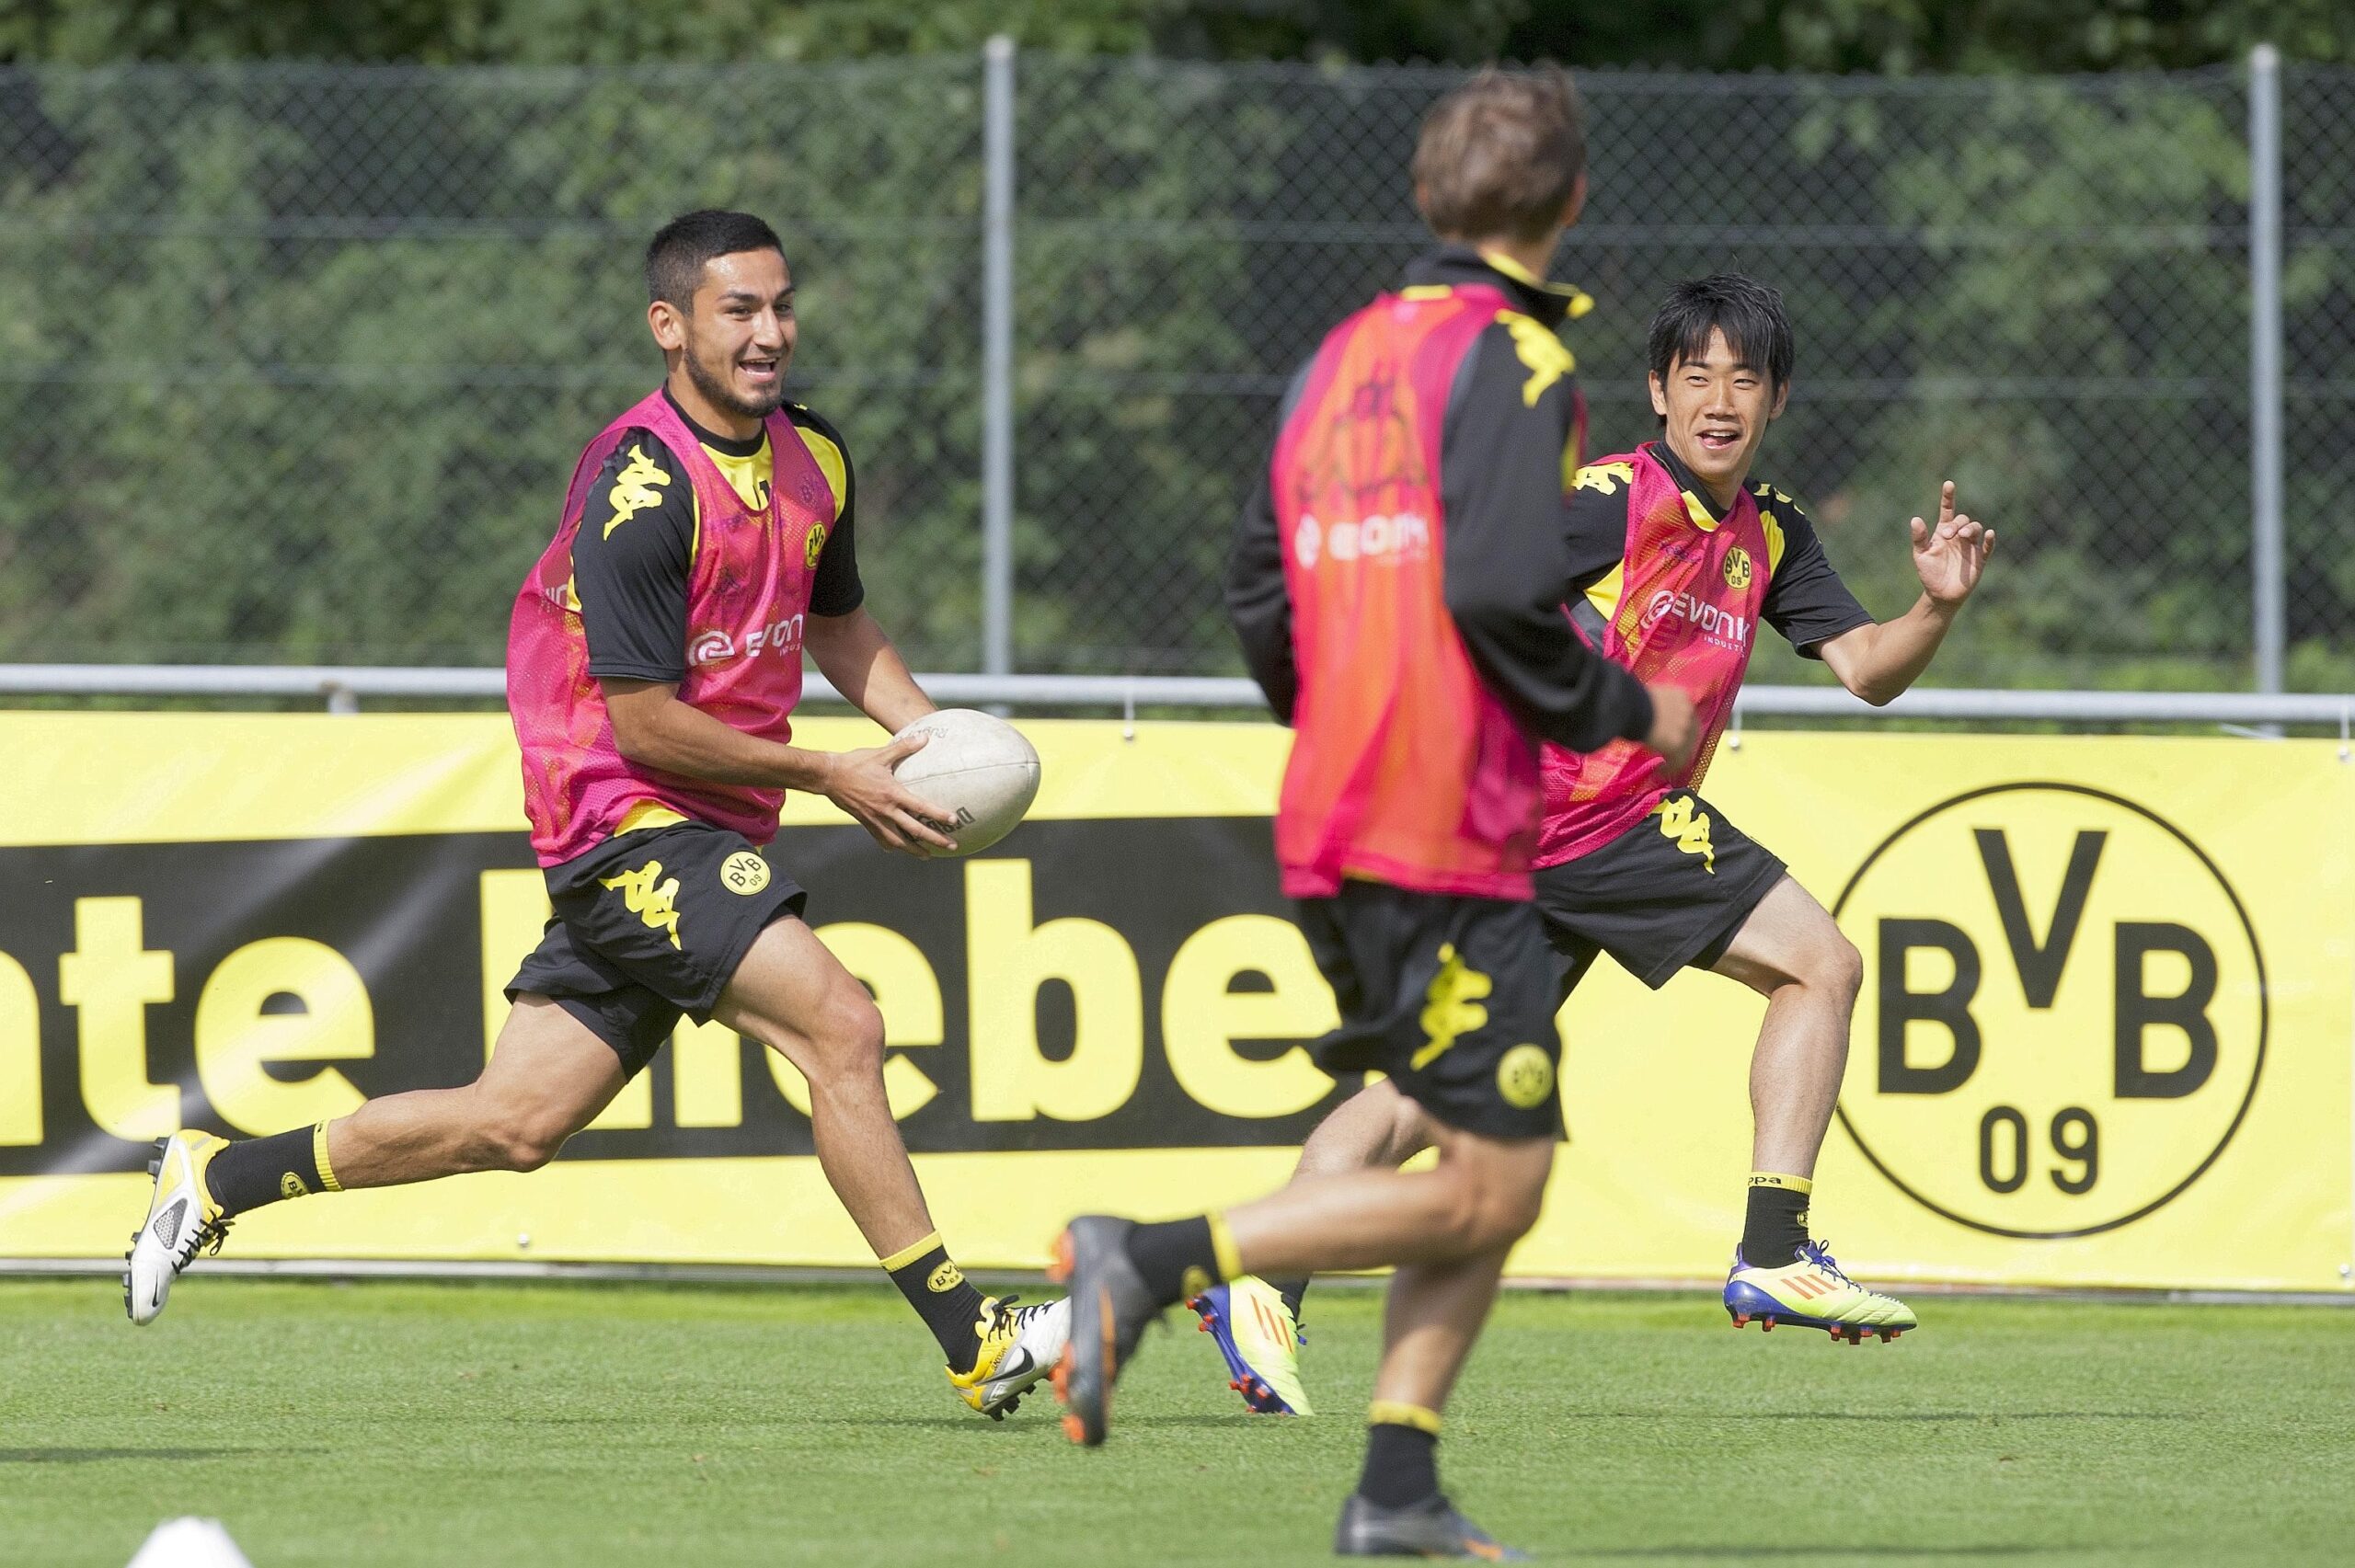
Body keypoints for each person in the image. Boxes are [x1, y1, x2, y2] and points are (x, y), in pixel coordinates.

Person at [125, 209, 1066, 1421]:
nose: (771, 332)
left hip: (710, 828)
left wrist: (932, 748)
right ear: (669, 327)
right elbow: (644, 722)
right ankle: (975, 1337)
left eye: (782, 306)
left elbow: (837, 622)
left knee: (510, 1124)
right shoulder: (642, 482)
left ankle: (213, 1178)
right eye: (741, 311)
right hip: (625, 818)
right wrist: (837, 772)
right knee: (843, 1025)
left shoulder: (813, 456)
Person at [1050, 70, 1697, 1560]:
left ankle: (1397, 1485)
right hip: (1444, 827)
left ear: (1425, 201)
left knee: (1479, 1174)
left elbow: (1256, 589)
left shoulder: (1334, 359)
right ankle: (1143, 1261)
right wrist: (1624, 710)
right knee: (1499, 1177)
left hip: (1337, 811)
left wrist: (1332, 708)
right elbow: (1491, 592)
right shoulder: (1523, 363)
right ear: (1572, 205)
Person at [1200, 272, 1997, 1416]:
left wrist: (1935, 608)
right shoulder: (1607, 499)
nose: (1719, 399)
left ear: (1774, 399)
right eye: (1696, 376)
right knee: (1820, 961)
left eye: (1744, 378)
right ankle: (1775, 1244)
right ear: (1658, 392)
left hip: (1529, 841)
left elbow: (1867, 669)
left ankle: (1262, 1276)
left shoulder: (1769, 530)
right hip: (1585, 811)